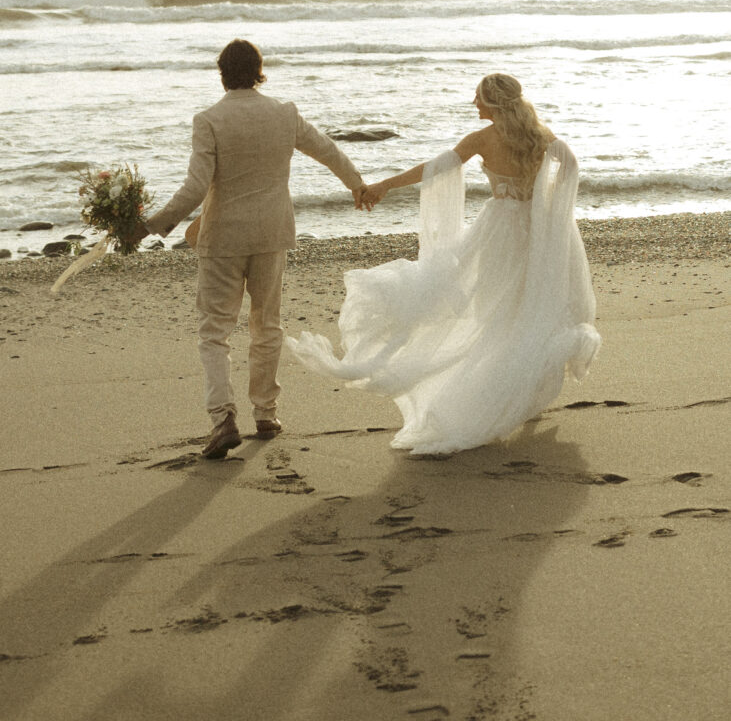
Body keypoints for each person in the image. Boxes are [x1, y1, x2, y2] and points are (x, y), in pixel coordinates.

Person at [288, 73, 601, 456]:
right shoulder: (542, 137)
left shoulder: (482, 140)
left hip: (500, 232)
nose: (474, 104)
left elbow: (433, 169)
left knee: (495, 313)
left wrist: (383, 186)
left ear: (493, 102)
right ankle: (523, 390)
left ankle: (505, 393)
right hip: (538, 232)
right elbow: (570, 167)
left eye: (478, 98)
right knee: (528, 308)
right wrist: (549, 209)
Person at [137, 39, 367, 459]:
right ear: (259, 70)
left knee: (214, 332)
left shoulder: (209, 120)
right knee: (266, 323)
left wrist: (153, 226)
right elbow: (328, 151)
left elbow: (195, 185)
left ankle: (224, 417)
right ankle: (265, 412)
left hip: (223, 236)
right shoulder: (284, 113)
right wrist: (358, 185)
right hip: (271, 233)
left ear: (222, 73)